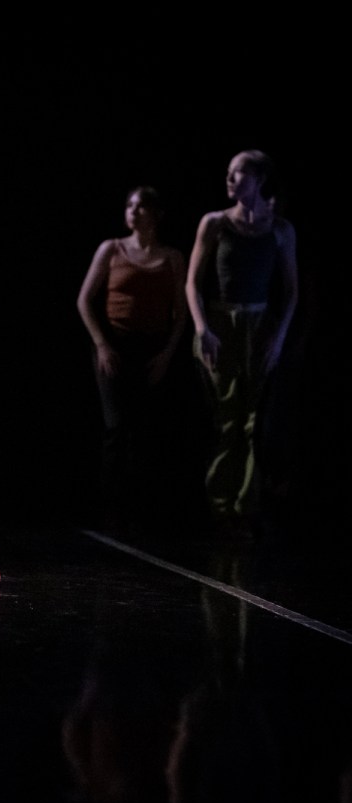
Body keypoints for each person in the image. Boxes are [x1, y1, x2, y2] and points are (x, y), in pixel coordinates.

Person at [183, 149, 299, 529]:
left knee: (253, 419)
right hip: (220, 323)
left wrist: (278, 337)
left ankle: (244, 505)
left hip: (259, 324)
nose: (230, 180)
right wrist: (202, 327)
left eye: (238, 174)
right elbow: (193, 283)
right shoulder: (215, 223)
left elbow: (292, 290)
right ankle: (220, 503)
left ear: (258, 180)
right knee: (227, 416)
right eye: (229, 173)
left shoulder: (279, 229)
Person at [75, 186, 190, 529]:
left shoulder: (172, 257)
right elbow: (84, 301)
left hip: (153, 348)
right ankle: (109, 507)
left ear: (156, 214)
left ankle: (141, 508)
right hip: (114, 344)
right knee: (116, 426)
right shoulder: (112, 249)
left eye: (141, 206)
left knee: (146, 428)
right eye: (129, 205)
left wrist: (167, 354)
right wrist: (102, 345)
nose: (134, 211)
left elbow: (180, 313)